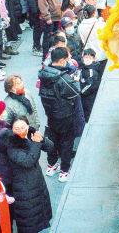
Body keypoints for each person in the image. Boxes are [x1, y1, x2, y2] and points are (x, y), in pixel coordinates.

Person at [38, 46, 81, 181]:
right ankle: (64, 170)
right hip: (65, 115)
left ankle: (51, 165)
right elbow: (75, 92)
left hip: (50, 114)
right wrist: (76, 81)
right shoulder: (62, 78)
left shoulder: (43, 74)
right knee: (66, 143)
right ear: (62, 61)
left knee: (52, 140)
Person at [5, 119, 54, 233]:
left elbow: (50, 147)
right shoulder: (11, 145)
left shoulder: (31, 135)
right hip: (24, 187)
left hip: (37, 182)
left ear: (28, 126)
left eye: (23, 127)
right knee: (29, 219)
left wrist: (42, 140)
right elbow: (28, 162)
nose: (20, 131)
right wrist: (36, 144)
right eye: (16, 128)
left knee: (40, 212)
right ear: (12, 130)